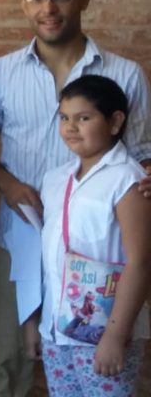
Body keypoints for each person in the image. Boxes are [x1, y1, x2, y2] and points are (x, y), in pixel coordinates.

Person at [0, 0, 151, 397]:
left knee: (101, 364)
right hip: (23, 237)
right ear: (23, 3)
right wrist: (10, 187)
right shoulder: (1, 73)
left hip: (100, 249)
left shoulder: (125, 73)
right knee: (12, 356)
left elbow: (143, 153)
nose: (48, 8)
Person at [33, 75, 150, 395]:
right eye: (64, 118)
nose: (71, 127)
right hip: (57, 331)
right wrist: (39, 323)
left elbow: (140, 262)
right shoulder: (56, 179)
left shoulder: (128, 180)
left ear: (114, 122)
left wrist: (115, 334)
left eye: (83, 118)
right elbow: (50, 259)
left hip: (105, 333)